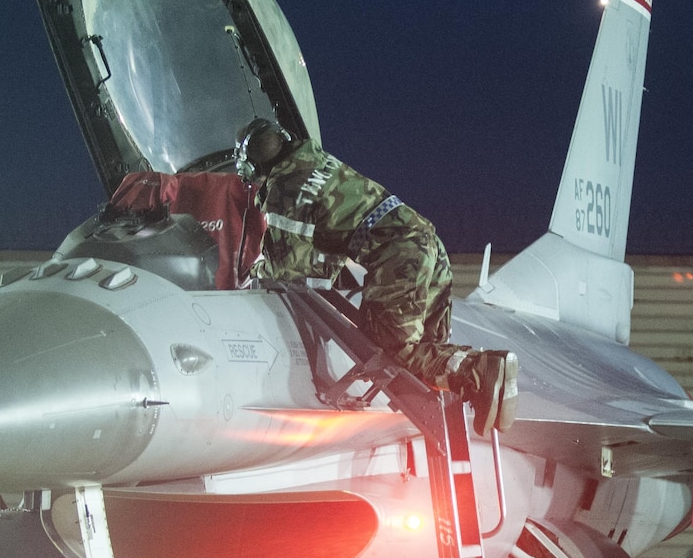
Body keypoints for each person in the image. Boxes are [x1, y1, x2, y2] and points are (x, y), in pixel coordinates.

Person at [104, 119, 518, 431]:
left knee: (394, 349)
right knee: (426, 352)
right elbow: (331, 239)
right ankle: (486, 385)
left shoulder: (283, 191)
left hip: (397, 255)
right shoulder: (316, 161)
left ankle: (482, 371)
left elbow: (293, 266)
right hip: (427, 242)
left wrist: (252, 274)